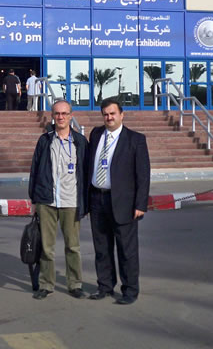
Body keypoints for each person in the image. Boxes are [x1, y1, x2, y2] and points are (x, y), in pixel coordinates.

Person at [86, 97, 150, 305]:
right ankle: (105, 286)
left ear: (122, 115)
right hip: (97, 199)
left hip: (123, 203)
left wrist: (140, 204)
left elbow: (143, 175)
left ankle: (130, 290)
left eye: (113, 113)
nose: (109, 117)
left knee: (126, 250)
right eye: (105, 114)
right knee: (101, 248)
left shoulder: (135, 140)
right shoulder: (96, 134)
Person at [28, 99, 89, 300]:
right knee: (47, 247)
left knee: (73, 246)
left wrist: (86, 202)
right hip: (47, 201)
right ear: (52, 116)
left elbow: (86, 173)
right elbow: (35, 169)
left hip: (71, 202)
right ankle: (46, 284)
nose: (61, 117)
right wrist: (34, 199)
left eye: (64, 113)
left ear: (71, 116)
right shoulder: (45, 140)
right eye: (57, 113)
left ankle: (75, 284)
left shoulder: (80, 142)